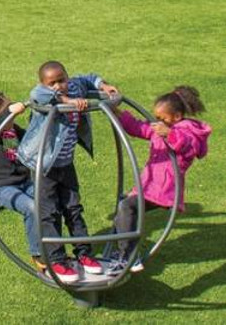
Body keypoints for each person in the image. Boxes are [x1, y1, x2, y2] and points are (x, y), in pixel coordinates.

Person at [17, 61, 119, 282]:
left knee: (73, 208)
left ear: (67, 77)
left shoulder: (74, 86)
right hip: (44, 167)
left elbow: (88, 77)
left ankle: (84, 255)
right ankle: (57, 260)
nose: (58, 86)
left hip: (66, 164)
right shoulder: (43, 94)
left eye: (61, 80)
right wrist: (67, 101)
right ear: (44, 83)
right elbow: (38, 94)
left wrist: (104, 85)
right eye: (52, 82)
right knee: (49, 213)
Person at [105, 86, 211, 275]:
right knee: (126, 206)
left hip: (164, 188)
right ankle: (122, 252)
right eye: (156, 118)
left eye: (162, 118)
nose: (157, 122)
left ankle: (129, 256)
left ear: (177, 116)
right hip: (150, 185)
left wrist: (169, 134)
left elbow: (188, 147)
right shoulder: (162, 127)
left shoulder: (187, 130)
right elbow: (138, 128)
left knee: (127, 206)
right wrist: (117, 112)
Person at [0, 93, 46, 270]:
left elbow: (34, 138)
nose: (8, 121)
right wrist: (7, 114)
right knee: (31, 207)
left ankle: (54, 251)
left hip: (25, 184)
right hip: (3, 188)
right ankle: (38, 254)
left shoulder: (14, 132)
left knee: (49, 199)